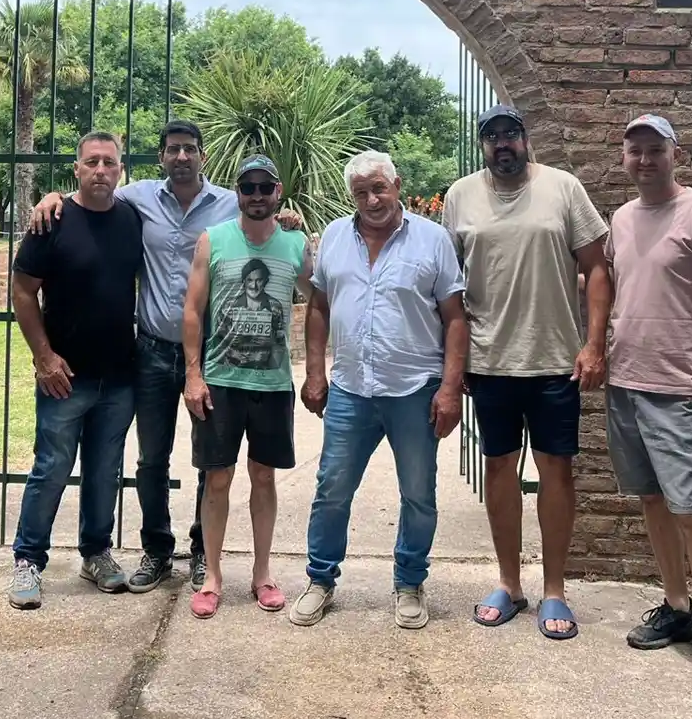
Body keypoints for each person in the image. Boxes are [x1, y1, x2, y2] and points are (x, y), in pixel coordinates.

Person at [28, 120, 302, 594]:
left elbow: (262, 221)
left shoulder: (226, 203)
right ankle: (156, 550)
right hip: (152, 349)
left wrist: (288, 218)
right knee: (152, 458)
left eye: (190, 149)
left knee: (209, 460)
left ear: (203, 156)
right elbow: (92, 191)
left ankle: (201, 552)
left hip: (212, 353)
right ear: (161, 157)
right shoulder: (138, 198)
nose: (181, 157)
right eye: (173, 149)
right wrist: (51, 197)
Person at [440, 103, 611, 638]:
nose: (502, 144)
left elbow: (598, 268)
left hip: (555, 360)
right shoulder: (460, 196)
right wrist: (456, 360)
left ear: (525, 139)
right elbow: (447, 284)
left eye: (510, 134)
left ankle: (554, 591)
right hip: (490, 362)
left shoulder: (563, 188)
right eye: (491, 137)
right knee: (498, 469)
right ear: (482, 146)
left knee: (556, 470)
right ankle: (510, 584)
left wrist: (594, 344)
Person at [290, 150, 469, 630]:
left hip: (414, 388)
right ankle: (321, 580)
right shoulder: (332, 237)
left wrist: (450, 388)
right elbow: (320, 307)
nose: (372, 199)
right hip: (351, 388)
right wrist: (314, 372)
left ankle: (409, 582)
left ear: (397, 185)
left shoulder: (432, 240)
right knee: (331, 490)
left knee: (418, 493)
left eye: (379, 188)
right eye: (362, 192)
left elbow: (456, 319)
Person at [605, 113, 692, 707]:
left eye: (654, 150)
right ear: (625, 157)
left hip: (681, 387)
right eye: (635, 150)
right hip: (625, 382)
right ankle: (676, 606)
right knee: (652, 500)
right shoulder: (620, 217)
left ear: (675, 154)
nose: (644, 160)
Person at [6, 131, 144, 609]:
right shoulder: (53, 220)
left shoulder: (131, 218)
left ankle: (96, 553)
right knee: (51, 468)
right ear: (77, 170)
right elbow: (23, 290)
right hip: (65, 375)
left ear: (120, 170)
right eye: (92, 163)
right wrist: (43, 356)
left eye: (109, 162)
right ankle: (28, 560)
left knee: (105, 471)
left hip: (119, 374)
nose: (101, 170)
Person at [181, 154, 312, 619]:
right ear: (237, 192)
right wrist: (192, 374)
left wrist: (317, 369)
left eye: (265, 187)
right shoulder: (213, 240)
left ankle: (262, 572)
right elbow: (194, 309)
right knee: (217, 477)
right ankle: (213, 574)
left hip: (272, 383)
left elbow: (320, 300)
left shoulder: (295, 243)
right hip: (221, 380)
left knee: (263, 476)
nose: (256, 195)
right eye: (248, 187)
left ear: (278, 191)